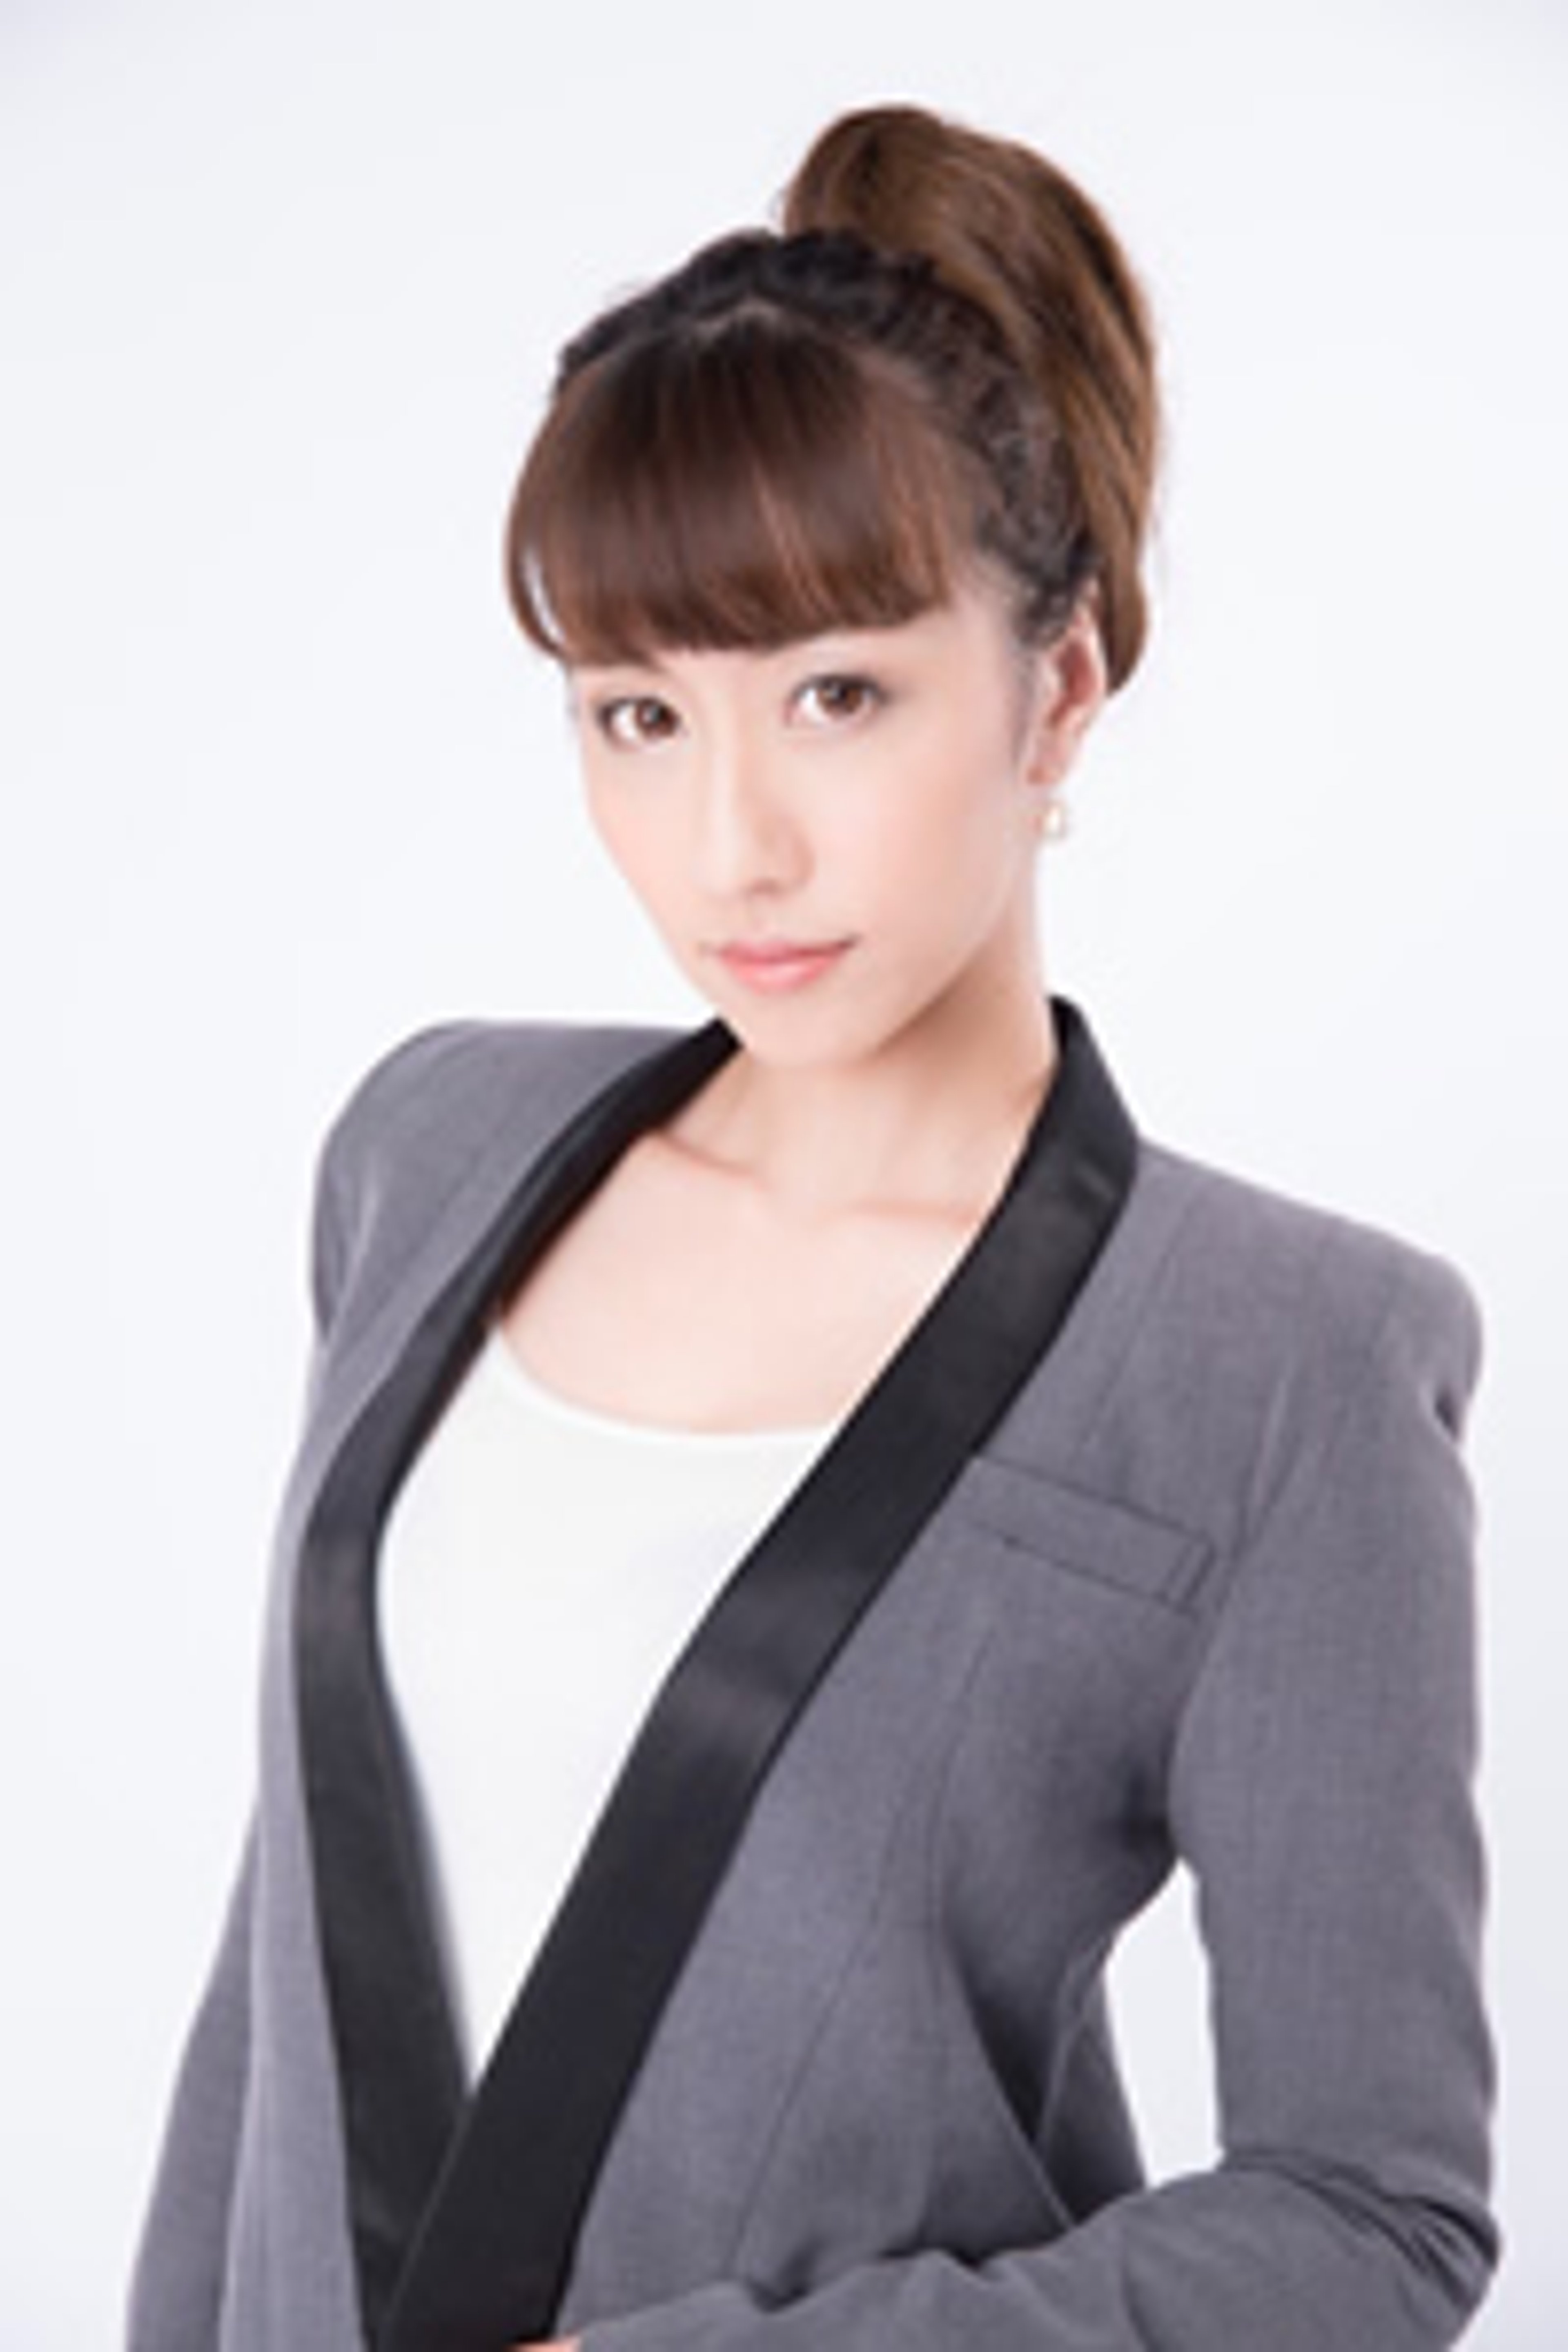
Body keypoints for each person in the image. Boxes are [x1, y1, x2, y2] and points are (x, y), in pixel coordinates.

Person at [127, 102, 1498, 2352]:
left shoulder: (1282, 1367)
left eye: (839, 696)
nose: (729, 842)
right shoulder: (430, 1154)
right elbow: (278, 1975)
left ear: (1055, 686)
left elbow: (1370, 2218)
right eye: (639, 713)